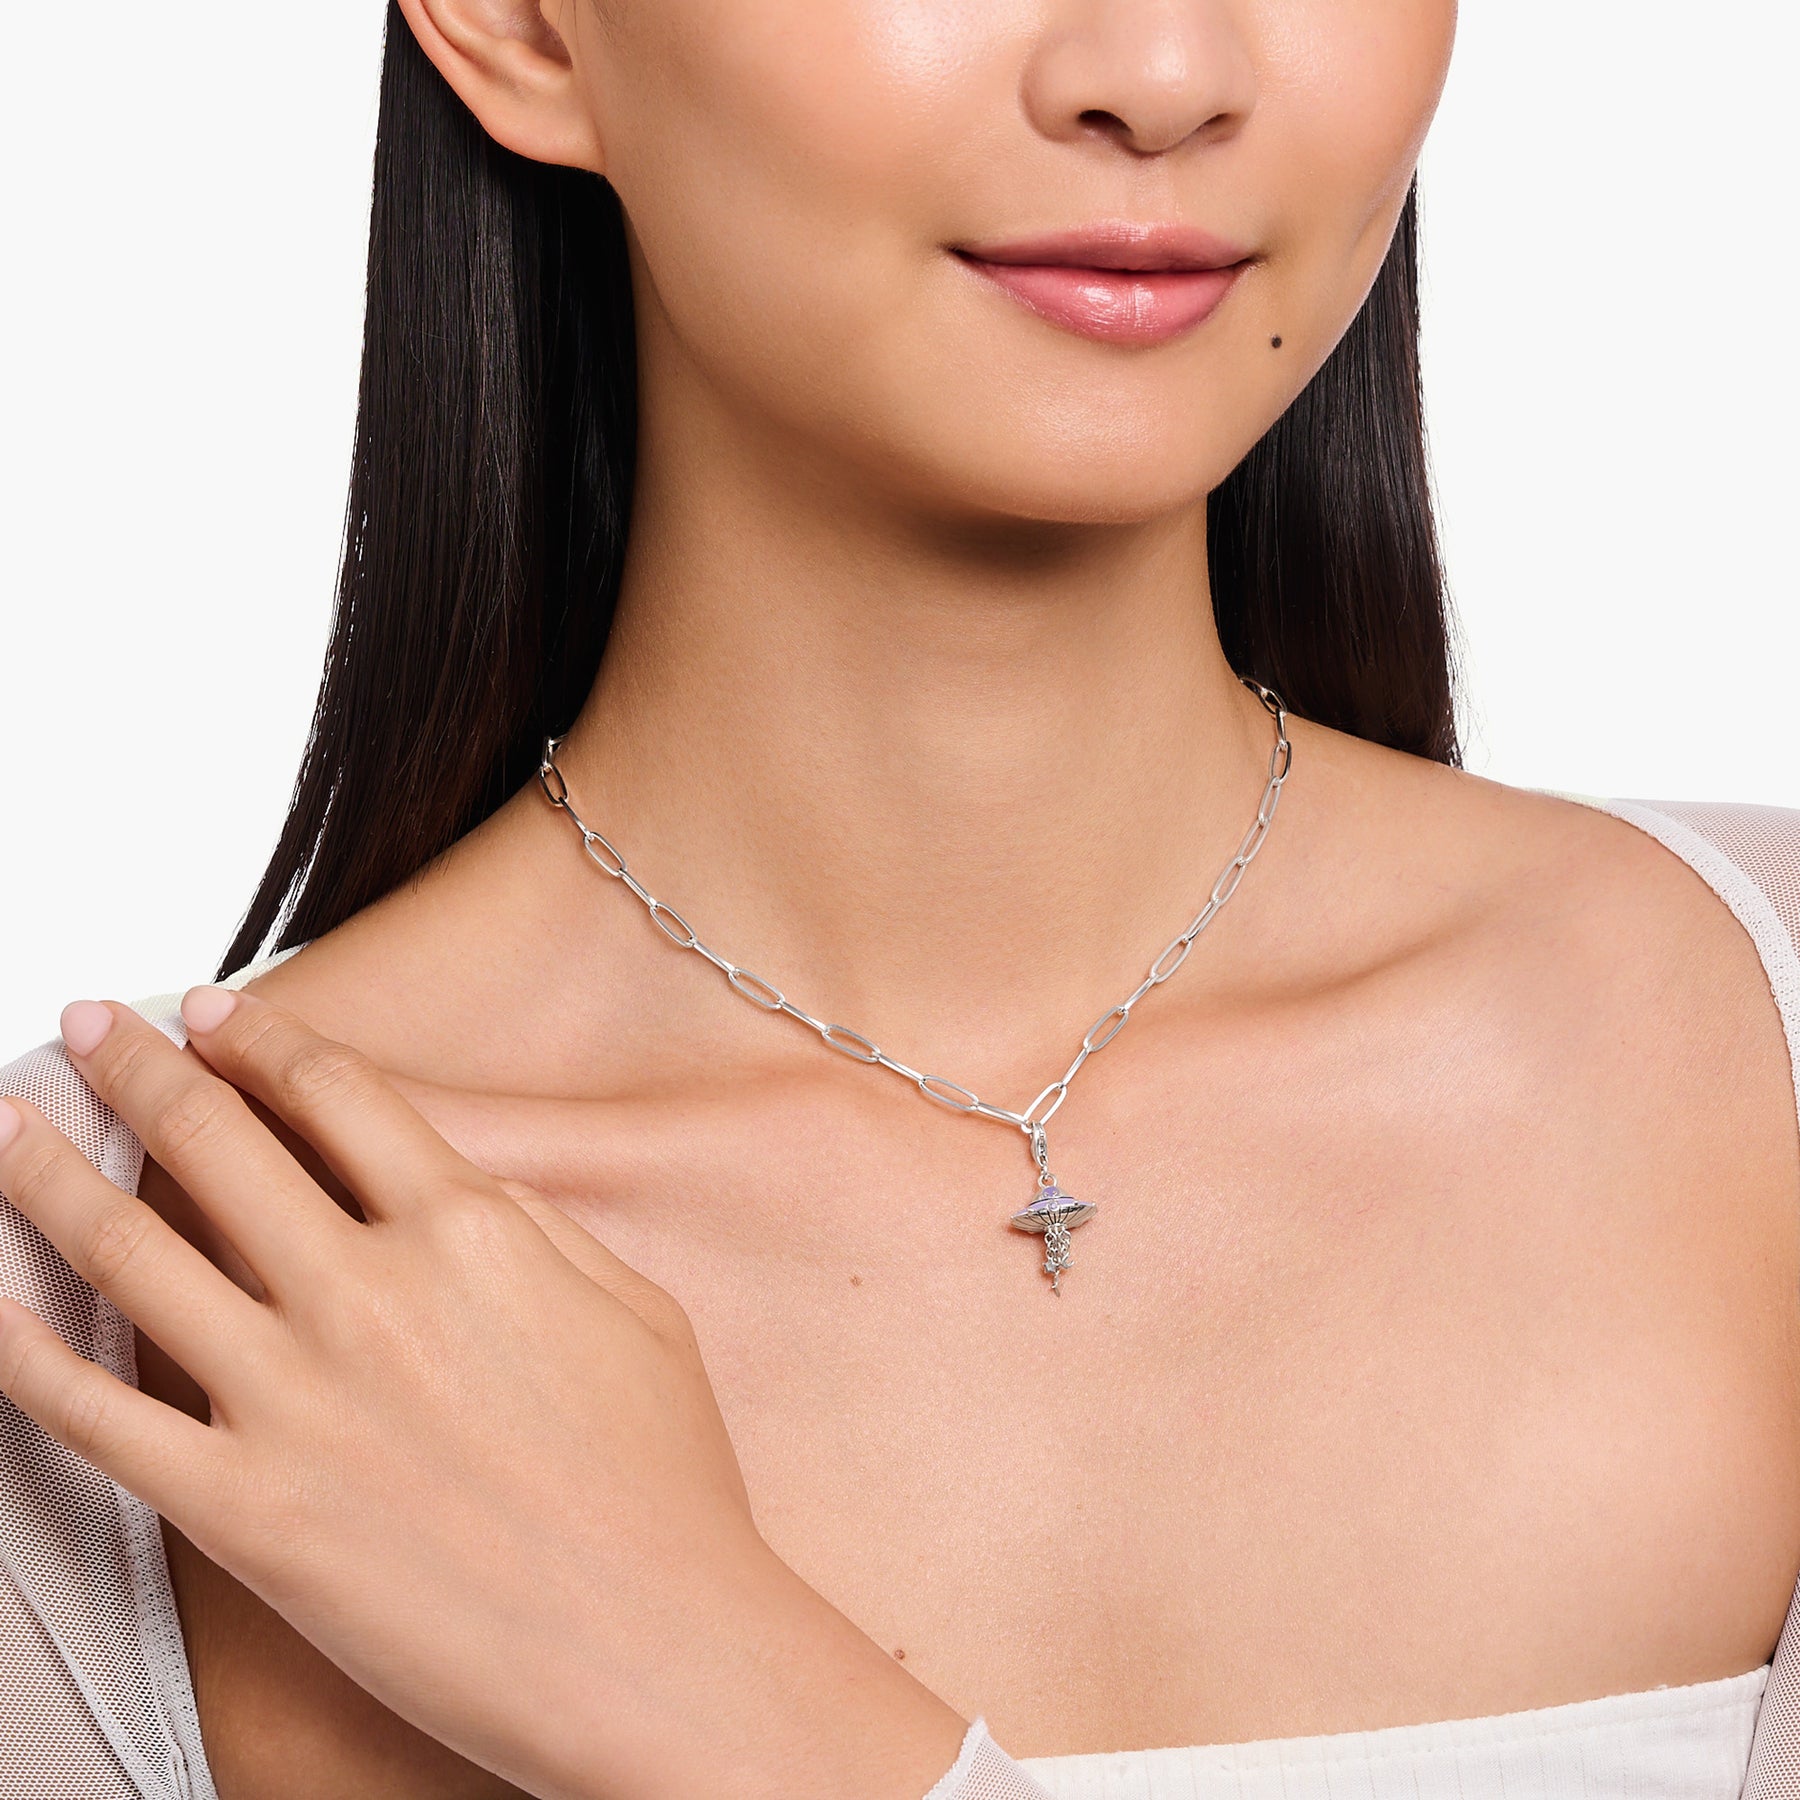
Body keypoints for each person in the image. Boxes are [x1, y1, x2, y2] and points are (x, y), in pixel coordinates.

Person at [2, 0, 1797, 1796]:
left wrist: (729, 1702)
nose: (1162, 76)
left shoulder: (1755, 1043)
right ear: (526, 26)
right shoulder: (85, 1318)